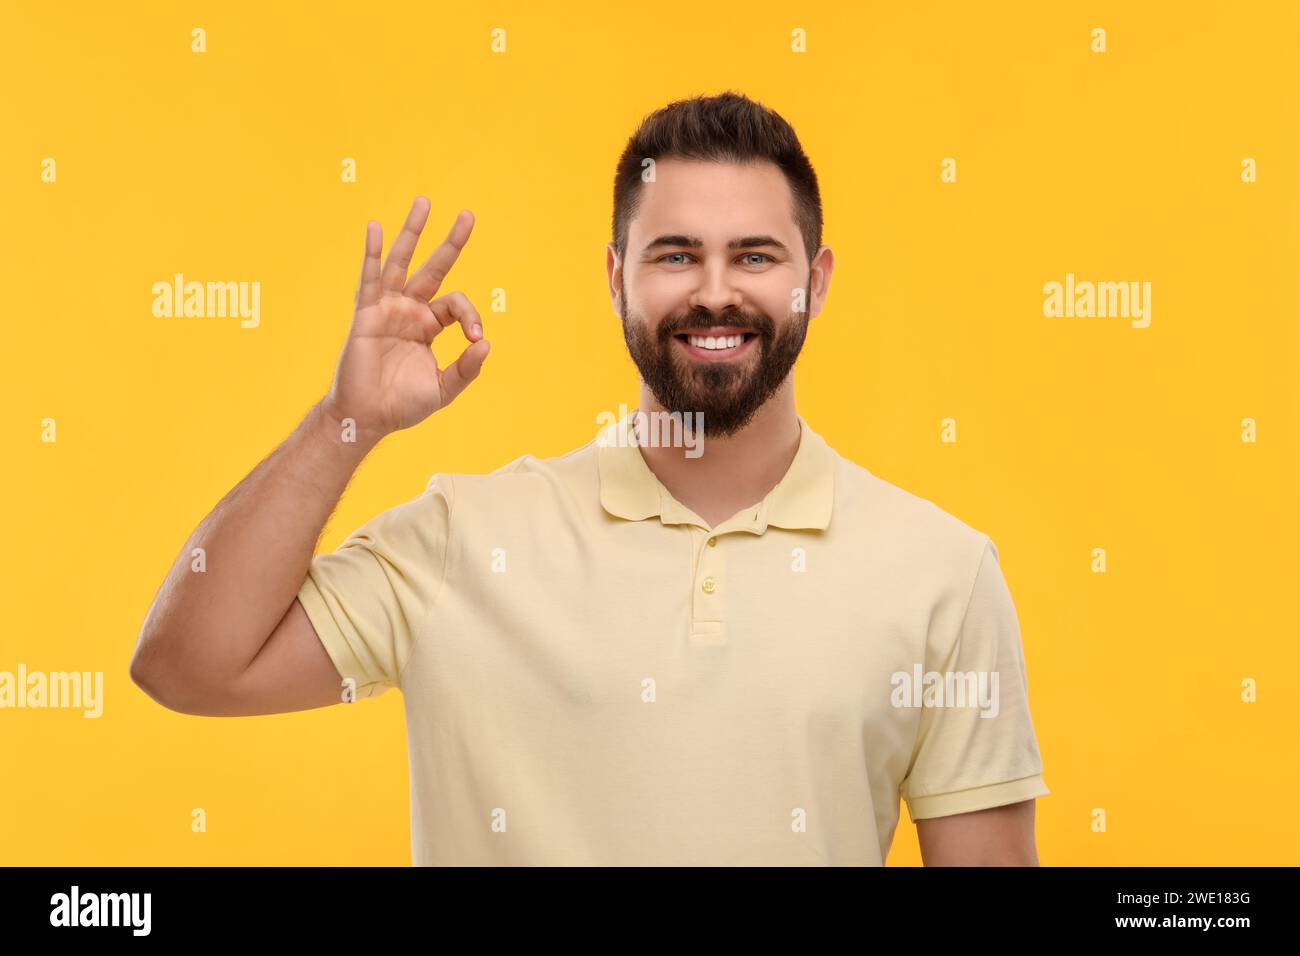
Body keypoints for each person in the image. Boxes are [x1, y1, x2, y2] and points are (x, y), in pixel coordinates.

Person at [131, 90, 1048, 866]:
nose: (715, 292)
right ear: (616, 280)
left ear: (817, 279)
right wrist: (347, 422)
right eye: (675, 254)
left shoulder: (942, 573)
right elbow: (187, 666)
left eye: (756, 256)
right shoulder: (463, 539)